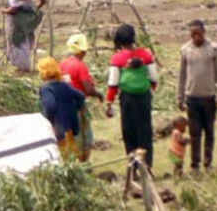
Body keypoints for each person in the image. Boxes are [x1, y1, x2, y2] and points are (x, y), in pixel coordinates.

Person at [106, 24, 159, 168]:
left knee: (129, 131)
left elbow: (113, 83)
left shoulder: (117, 59)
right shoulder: (146, 54)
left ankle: (134, 167)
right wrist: (150, 90)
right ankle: (147, 165)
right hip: (144, 97)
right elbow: (154, 78)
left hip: (127, 99)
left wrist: (109, 102)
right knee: (145, 130)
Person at [177, 20, 217, 173]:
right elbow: (182, 75)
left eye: (198, 33)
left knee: (209, 132)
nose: (196, 37)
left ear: (204, 32)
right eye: (193, 34)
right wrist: (180, 97)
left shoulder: (214, 49)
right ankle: (195, 164)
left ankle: (208, 163)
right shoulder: (185, 49)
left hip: (209, 97)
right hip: (192, 97)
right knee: (194, 133)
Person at [59, 34, 102, 162]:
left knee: (69, 136)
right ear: (82, 51)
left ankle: (70, 162)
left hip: (63, 106)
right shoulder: (80, 66)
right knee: (85, 137)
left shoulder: (62, 64)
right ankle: (82, 163)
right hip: (77, 106)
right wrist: (98, 94)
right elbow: (88, 89)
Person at [38, 57, 86, 158]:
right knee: (73, 153)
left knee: (62, 155)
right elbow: (80, 96)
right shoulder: (64, 85)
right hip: (69, 126)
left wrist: (47, 119)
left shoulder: (46, 89)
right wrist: (75, 110)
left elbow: (50, 106)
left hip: (58, 128)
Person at [4, 0, 47, 72]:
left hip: (18, 22)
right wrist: (37, 8)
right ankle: (25, 64)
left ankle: (23, 66)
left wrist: (5, 10)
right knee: (27, 39)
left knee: (17, 41)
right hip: (28, 21)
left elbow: (13, 10)